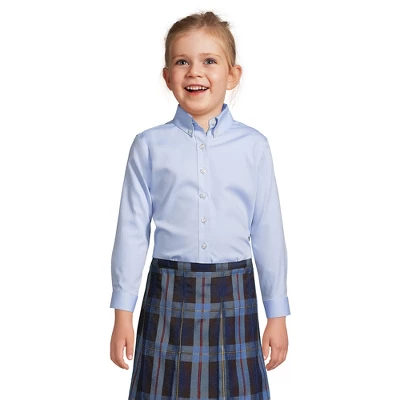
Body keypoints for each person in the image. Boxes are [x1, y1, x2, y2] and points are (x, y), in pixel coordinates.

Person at [109, 10, 290, 400]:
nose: (195, 72)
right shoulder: (149, 146)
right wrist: (123, 311)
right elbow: (132, 231)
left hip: (235, 294)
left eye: (209, 60)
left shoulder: (254, 147)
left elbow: (267, 231)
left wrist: (277, 312)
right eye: (182, 62)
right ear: (166, 76)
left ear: (233, 75)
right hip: (168, 295)